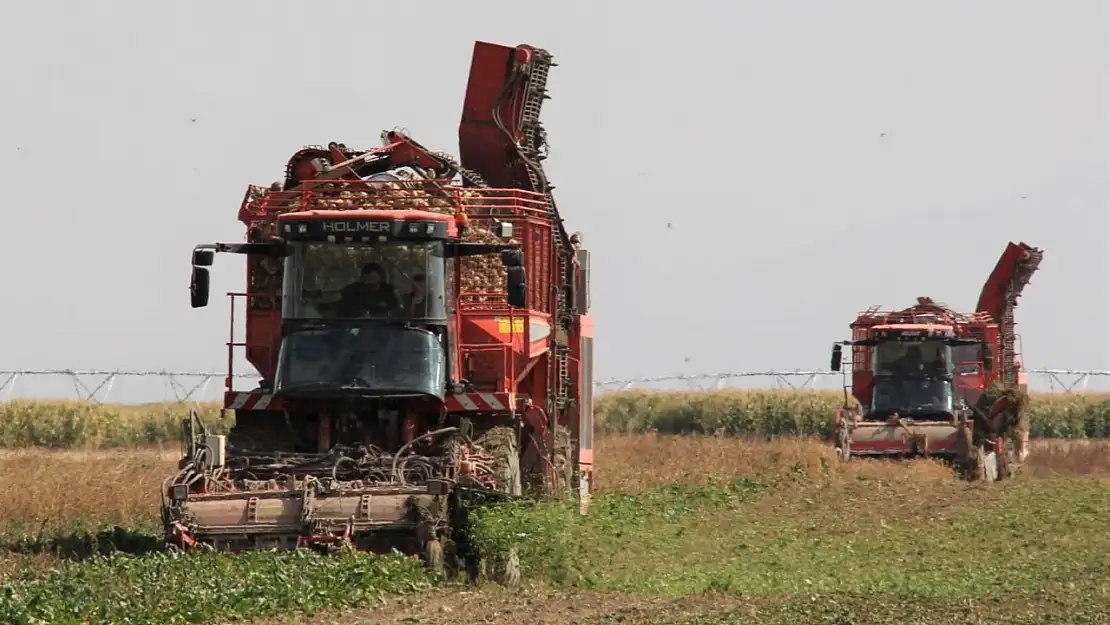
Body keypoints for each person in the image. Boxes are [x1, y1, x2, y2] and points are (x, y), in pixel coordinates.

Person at [334, 262, 399, 317]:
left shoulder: (389, 292)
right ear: (362, 278)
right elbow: (340, 310)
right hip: (356, 325)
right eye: (366, 278)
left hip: (383, 326)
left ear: (381, 277)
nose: (369, 281)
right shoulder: (351, 290)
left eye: (373, 278)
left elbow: (397, 313)